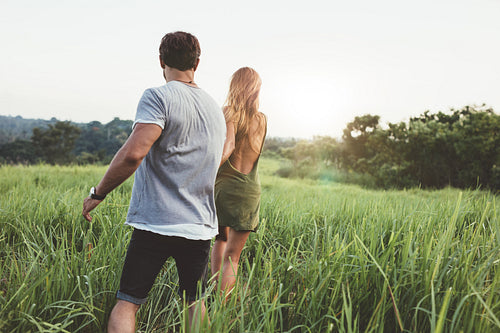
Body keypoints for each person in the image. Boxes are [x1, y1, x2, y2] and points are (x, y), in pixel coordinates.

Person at [82, 31, 225, 333]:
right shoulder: (215, 108)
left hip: (156, 224)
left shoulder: (158, 96)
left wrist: (99, 192)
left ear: (161, 60)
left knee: (128, 303)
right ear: (197, 63)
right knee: (195, 303)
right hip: (199, 226)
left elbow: (134, 153)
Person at [210, 67, 267, 299]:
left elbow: (229, 146)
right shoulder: (262, 119)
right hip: (250, 191)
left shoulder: (228, 112)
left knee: (220, 239)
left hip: (225, 188)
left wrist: (208, 170)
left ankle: (214, 294)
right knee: (233, 256)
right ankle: (223, 305)